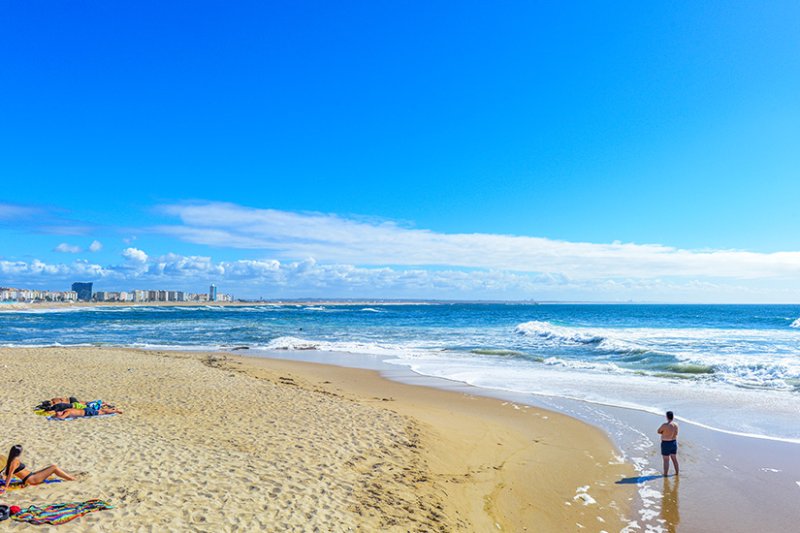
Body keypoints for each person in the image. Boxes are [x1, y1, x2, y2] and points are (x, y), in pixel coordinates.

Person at [0, 444, 76, 493]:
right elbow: (10, 475)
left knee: (50, 468)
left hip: (31, 475)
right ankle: (71, 478)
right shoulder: (14, 462)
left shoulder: (11, 459)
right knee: (54, 467)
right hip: (31, 479)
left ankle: (69, 477)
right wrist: (6, 486)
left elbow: (7, 473)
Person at [657, 410, 679, 476]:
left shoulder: (665, 425)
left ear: (667, 417)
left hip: (666, 443)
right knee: (674, 459)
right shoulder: (676, 425)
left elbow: (658, 431)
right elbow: (676, 433)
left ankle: (665, 474)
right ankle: (677, 473)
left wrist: (664, 433)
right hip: (673, 442)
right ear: (673, 417)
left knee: (666, 460)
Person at [54, 405, 123, 419]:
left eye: (58, 413)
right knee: (101, 411)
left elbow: (62, 417)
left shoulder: (67, 412)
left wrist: (58, 416)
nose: (58, 413)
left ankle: (115, 411)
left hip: (86, 413)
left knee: (102, 412)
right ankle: (113, 409)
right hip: (85, 410)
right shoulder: (67, 410)